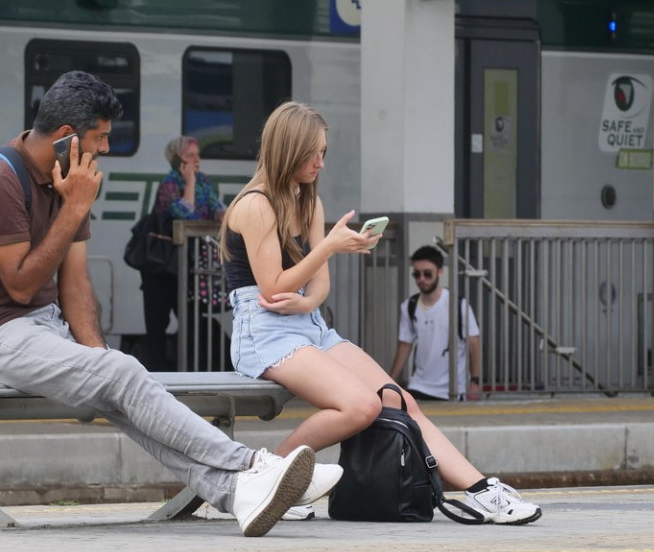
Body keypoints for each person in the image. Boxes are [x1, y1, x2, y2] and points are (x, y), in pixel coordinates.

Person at [0, 70, 338, 537]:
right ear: (67, 137)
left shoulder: (70, 179)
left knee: (119, 379)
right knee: (122, 374)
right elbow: (21, 286)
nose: (104, 149)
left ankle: (239, 495)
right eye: (100, 138)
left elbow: (77, 284)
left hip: (41, 330)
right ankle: (254, 465)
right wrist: (74, 209)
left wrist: (98, 359)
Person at [219, 101, 542, 525]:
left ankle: (483, 491)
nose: (320, 162)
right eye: (312, 153)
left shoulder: (307, 202)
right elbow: (272, 287)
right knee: (359, 407)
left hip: (307, 324)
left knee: (399, 400)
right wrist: (329, 248)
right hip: (262, 332)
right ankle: (264, 479)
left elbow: (319, 286)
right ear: (286, 151)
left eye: (324, 152)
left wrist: (311, 298)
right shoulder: (255, 205)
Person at [139, 136, 226, 371]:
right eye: (190, 156)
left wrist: (226, 216)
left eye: (198, 154)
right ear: (178, 160)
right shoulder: (169, 184)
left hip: (188, 266)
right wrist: (188, 182)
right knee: (157, 324)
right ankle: (156, 373)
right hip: (161, 267)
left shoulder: (204, 181)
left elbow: (216, 208)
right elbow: (185, 215)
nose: (197, 160)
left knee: (192, 321)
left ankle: (191, 371)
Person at [389, 245, 482, 402]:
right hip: (419, 385)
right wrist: (390, 381)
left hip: (453, 388)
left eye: (427, 274)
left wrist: (475, 381)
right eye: (416, 275)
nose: (421, 279)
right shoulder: (409, 306)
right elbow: (405, 345)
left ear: (440, 272)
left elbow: (474, 342)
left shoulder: (458, 305)